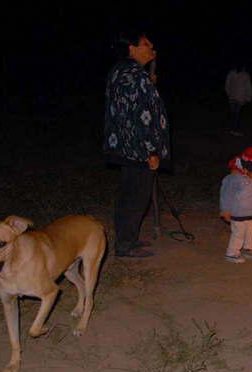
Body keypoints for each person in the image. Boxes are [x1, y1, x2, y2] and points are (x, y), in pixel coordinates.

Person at [103, 29, 170, 258]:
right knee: (136, 196)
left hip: (125, 146)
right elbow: (139, 115)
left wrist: (149, 84)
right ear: (131, 48)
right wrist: (150, 150)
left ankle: (127, 239)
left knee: (130, 193)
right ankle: (125, 244)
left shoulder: (122, 71)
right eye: (145, 44)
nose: (151, 47)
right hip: (137, 148)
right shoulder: (134, 74)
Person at [220, 146, 252, 264]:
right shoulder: (234, 179)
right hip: (238, 213)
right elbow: (226, 195)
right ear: (246, 168)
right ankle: (232, 252)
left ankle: (248, 248)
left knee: (251, 231)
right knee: (238, 233)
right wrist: (226, 210)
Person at [224, 65, 252, 136]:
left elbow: (248, 87)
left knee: (235, 114)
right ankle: (234, 129)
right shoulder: (232, 73)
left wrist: (248, 97)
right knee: (235, 114)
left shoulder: (245, 74)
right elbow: (227, 85)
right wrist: (229, 94)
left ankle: (233, 129)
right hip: (235, 97)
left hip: (239, 98)